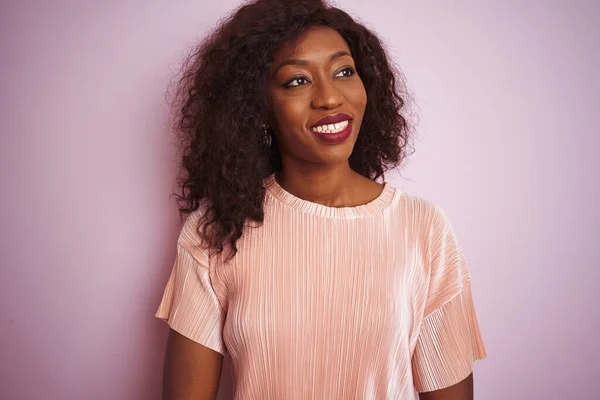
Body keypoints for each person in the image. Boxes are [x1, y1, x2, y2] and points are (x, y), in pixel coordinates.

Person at [154, 0, 487, 398]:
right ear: (257, 108)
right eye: (297, 80)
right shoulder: (218, 229)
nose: (330, 98)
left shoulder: (424, 228)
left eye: (344, 71)